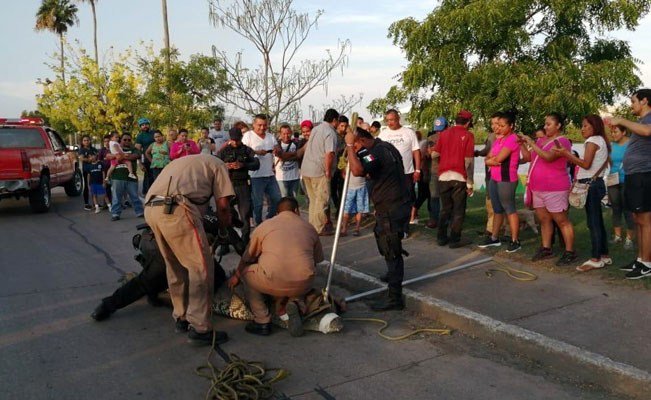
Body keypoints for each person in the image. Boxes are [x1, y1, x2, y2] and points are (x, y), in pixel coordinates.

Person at [144, 153, 235, 346]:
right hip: (176, 208)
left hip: (151, 208)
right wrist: (224, 229)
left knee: (174, 265)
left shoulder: (187, 162)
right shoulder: (219, 166)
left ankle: (181, 316)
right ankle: (200, 327)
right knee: (200, 267)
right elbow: (224, 206)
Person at [228, 197, 324, 336]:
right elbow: (316, 260)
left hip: (273, 280)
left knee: (246, 272)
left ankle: (262, 320)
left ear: (277, 213)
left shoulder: (265, 226)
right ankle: (295, 302)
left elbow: (247, 257)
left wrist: (237, 275)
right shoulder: (309, 227)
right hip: (303, 283)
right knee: (303, 271)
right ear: (296, 211)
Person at [345, 126, 410, 311]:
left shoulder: (373, 153)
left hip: (392, 205)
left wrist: (350, 146)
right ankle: (392, 275)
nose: (355, 152)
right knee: (383, 238)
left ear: (362, 141)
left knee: (390, 247)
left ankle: (394, 297)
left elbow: (357, 171)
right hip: (391, 203)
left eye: (356, 147)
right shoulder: (385, 147)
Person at [554, 115, 611, 272]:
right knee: (597, 221)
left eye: (586, 126)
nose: (582, 128)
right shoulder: (602, 141)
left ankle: (596, 258)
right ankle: (604, 255)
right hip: (597, 183)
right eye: (582, 125)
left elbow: (585, 164)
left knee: (593, 223)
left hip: (590, 186)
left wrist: (566, 154)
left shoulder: (592, 141)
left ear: (595, 127)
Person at [519, 113, 576, 266]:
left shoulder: (562, 141)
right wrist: (522, 143)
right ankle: (546, 248)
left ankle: (570, 251)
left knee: (562, 220)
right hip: (538, 187)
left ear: (558, 126)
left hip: (555, 188)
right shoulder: (541, 141)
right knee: (544, 220)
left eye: (549, 124)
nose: (545, 127)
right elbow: (528, 158)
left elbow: (548, 157)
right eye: (545, 124)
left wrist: (532, 142)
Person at [609, 88, 651, 279]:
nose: (631, 105)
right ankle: (641, 259)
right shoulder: (641, 121)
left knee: (645, 221)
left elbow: (647, 131)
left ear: (644, 101)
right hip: (635, 176)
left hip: (643, 175)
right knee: (638, 220)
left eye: (633, 101)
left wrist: (621, 120)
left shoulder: (648, 119)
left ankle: (647, 264)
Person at [431, 110, 475, 248]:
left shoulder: (443, 134)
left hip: (443, 176)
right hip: (459, 176)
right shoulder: (468, 135)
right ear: (468, 123)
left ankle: (441, 238)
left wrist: (444, 160)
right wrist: (470, 182)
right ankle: (455, 239)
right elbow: (468, 161)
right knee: (458, 210)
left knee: (445, 208)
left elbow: (434, 154)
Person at [478, 111, 521, 253]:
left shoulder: (512, 139)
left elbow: (498, 159)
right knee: (497, 209)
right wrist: (491, 161)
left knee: (509, 208)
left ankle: (515, 240)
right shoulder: (499, 140)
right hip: (495, 177)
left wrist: (492, 161)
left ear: (511, 126)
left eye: (502, 126)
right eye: (498, 125)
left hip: (506, 178)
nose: (499, 128)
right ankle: (494, 237)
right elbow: (489, 157)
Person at [379, 109, 421, 236]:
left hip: (406, 172)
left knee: (406, 201)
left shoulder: (409, 133)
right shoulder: (383, 135)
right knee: (391, 201)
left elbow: (416, 151)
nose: (390, 123)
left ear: (398, 119)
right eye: (388, 120)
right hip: (389, 175)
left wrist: (417, 169)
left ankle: (404, 228)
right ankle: (392, 226)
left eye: (392, 120)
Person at [218, 127, 260, 244]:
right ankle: (226, 241)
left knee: (245, 213)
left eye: (237, 140)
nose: (235, 142)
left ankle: (245, 241)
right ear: (230, 138)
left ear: (241, 138)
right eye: (233, 140)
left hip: (242, 185)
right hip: (228, 185)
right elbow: (215, 164)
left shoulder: (247, 150)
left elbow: (256, 164)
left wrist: (243, 165)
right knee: (225, 212)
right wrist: (224, 166)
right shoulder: (224, 151)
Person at [300, 109, 339, 235]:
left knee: (313, 200)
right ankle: (318, 228)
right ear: (334, 120)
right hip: (319, 171)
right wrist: (328, 171)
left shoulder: (316, 129)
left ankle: (312, 226)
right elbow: (330, 153)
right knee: (322, 200)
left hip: (307, 169)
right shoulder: (330, 132)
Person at [242, 114, 282, 225]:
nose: (262, 128)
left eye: (265, 125)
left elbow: (277, 147)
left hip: (269, 174)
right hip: (255, 176)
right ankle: (258, 223)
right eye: (259, 125)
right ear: (254, 124)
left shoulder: (270, 136)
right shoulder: (248, 136)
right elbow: (243, 151)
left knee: (277, 199)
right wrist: (255, 152)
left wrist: (276, 150)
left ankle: (269, 219)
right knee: (258, 203)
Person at [607, 124, 635, 250]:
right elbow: (609, 162)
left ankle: (629, 239)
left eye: (616, 132)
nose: (613, 134)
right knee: (615, 208)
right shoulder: (612, 146)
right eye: (612, 132)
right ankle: (617, 236)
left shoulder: (631, 144)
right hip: (613, 180)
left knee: (627, 209)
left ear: (623, 132)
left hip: (627, 180)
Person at [107, 133, 144, 221]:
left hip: (131, 178)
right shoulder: (115, 147)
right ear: (121, 140)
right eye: (124, 139)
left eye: (129, 140)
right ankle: (115, 214)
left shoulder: (134, 149)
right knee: (116, 197)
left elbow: (136, 156)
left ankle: (140, 212)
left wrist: (119, 156)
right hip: (117, 177)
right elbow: (108, 156)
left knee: (135, 196)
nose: (127, 141)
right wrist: (119, 155)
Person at [474, 113, 499, 236]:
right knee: (489, 201)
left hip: (499, 174)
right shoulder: (491, 136)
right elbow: (486, 151)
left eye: (497, 123)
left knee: (498, 202)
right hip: (489, 172)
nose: (494, 126)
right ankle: (491, 228)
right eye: (492, 123)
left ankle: (495, 230)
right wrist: (477, 153)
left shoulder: (508, 138)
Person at [424, 118, 447, 229]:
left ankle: (445, 220)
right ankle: (434, 219)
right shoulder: (430, 138)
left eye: (441, 130)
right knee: (434, 197)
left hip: (447, 171)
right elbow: (428, 154)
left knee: (445, 197)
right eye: (437, 130)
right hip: (434, 171)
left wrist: (436, 150)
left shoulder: (450, 138)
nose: (439, 132)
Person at [340, 166, 369, 237]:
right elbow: (343, 172)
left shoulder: (363, 158)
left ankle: (357, 228)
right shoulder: (347, 160)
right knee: (346, 209)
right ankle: (344, 229)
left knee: (360, 209)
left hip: (361, 187)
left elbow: (368, 172)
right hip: (350, 187)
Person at [274, 124, 300, 198]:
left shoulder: (296, 144)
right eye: (284, 133)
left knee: (293, 199)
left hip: (294, 177)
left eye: (288, 133)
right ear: (280, 134)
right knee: (284, 198)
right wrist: (293, 155)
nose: (286, 136)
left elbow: (299, 156)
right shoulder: (276, 144)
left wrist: (286, 156)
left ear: (291, 133)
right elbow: (279, 155)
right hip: (281, 178)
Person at [134, 118, 156, 196]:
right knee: (148, 177)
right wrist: (140, 163)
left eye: (146, 124)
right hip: (146, 159)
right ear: (140, 127)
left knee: (157, 176)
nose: (145, 126)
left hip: (158, 158)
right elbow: (137, 150)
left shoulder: (154, 133)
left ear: (149, 125)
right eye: (142, 125)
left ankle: (156, 192)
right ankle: (146, 193)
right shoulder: (140, 136)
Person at [77, 134, 98, 211]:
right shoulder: (81, 150)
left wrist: (94, 158)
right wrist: (89, 160)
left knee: (94, 185)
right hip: (86, 170)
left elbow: (97, 156)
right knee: (87, 186)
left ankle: (95, 203)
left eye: (88, 140)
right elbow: (81, 158)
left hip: (95, 170)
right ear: (82, 142)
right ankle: (86, 203)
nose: (86, 142)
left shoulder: (93, 149)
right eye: (84, 140)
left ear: (90, 141)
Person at [97, 134, 113, 204]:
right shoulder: (102, 150)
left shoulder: (113, 149)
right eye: (105, 141)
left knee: (113, 187)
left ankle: (115, 202)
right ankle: (106, 203)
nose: (106, 143)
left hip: (113, 170)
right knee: (106, 187)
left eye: (108, 141)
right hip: (105, 171)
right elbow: (99, 160)